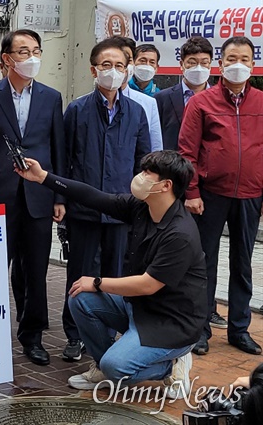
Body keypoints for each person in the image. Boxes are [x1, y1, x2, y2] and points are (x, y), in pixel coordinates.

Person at [16, 150, 207, 399]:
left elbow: (148, 285)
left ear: (165, 185)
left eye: (148, 173)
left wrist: (97, 282)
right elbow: (94, 197)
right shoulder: (142, 207)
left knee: (116, 365)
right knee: (79, 296)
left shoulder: (180, 234)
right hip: (139, 308)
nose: (140, 176)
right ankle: (105, 366)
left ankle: (171, 364)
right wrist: (43, 177)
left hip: (171, 322)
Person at [0, 28, 65, 366]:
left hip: (39, 195)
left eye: (36, 51)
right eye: (23, 52)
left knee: (36, 269)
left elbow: (57, 148)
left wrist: (59, 196)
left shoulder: (51, 97)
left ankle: (33, 334)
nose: (32, 58)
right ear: (7, 59)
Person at [60, 38, 151, 361]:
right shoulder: (77, 110)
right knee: (80, 272)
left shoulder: (136, 112)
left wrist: (142, 202)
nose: (112, 72)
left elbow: (144, 161)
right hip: (83, 209)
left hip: (122, 210)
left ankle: (111, 332)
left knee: (115, 275)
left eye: (119, 66)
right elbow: (64, 158)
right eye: (106, 66)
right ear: (93, 70)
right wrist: (62, 199)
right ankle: (74, 334)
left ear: (127, 72)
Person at [178, 36, 263, 356]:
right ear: (221, 63)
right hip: (210, 194)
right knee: (204, 263)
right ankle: (199, 329)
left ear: (253, 65)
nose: (237, 65)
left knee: (243, 264)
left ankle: (239, 329)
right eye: (231, 59)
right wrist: (192, 191)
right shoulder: (202, 103)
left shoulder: (261, 103)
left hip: (250, 195)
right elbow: (188, 152)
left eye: (244, 59)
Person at [155, 36, 213, 151]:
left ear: (210, 64)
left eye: (204, 62)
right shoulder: (161, 99)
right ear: (181, 64)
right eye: (192, 62)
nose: (199, 68)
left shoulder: (220, 99)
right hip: (172, 165)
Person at [111, 36, 163, 151]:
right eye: (143, 61)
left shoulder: (150, 102)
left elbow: (155, 146)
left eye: (127, 61)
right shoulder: (81, 105)